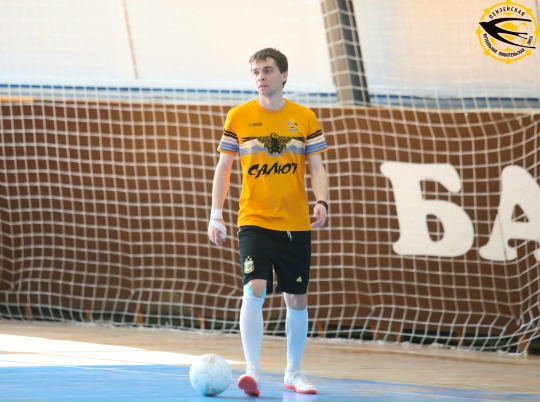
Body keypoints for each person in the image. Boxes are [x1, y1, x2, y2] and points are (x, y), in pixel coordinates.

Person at [208, 47, 328, 396]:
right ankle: (253, 372)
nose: (261, 77)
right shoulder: (238, 117)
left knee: (296, 300)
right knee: (254, 288)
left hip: (294, 224)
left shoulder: (304, 118)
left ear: (284, 75)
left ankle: (293, 372)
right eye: (256, 72)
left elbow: (317, 166)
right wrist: (216, 215)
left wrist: (321, 201)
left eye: (268, 71)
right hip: (254, 220)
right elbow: (224, 168)